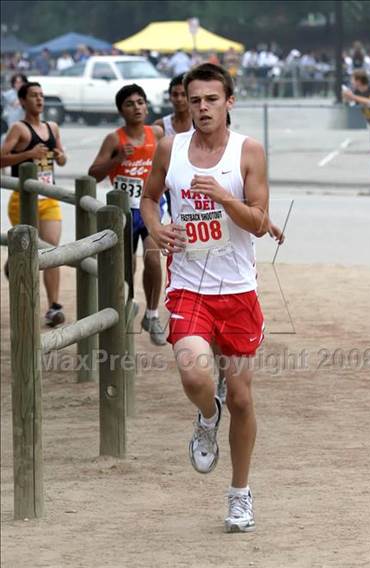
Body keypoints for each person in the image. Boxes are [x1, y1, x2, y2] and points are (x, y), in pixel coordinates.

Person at [141, 63, 284, 533]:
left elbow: (260, 223)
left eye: (212, 100)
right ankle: (206, 415)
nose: (202, 107)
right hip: (188, 287)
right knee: (193, 372)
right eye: (195, 99)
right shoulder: (170, 147)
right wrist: (157, 227)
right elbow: (148, 197)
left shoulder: (249, 151)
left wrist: (224, 197)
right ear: (185, 101)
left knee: (242, 399)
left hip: (238, 290)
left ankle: (240, 495)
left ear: (229, 103)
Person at [88, 84, 166, 346]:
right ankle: (126, 309)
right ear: (121, 109)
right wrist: (117, 158)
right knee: (127, 266)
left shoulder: (156, 133)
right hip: (123, 210)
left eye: (141, 102)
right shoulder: (114, 139)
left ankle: (152, 315)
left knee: (154, 259)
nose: (137, 108)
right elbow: (93, 174)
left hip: (151, 207)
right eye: (131, 104)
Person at [0, 82, 67, 326]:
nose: (39, 100)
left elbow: (62, 158)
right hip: (23, 199)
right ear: (22, 101)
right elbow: (1, 159)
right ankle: (24, 300)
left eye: (41, 95)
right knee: (29, 253)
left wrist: (60, 156)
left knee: (51, 250)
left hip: (48, 198)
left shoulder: (53, 127)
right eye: (33, 96)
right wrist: (27, 155)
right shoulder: (19, 129)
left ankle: (53, 307)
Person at [153, 74, 194, 217]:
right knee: (176, 218)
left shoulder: (200, 123)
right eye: (175, 94)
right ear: (169, 97)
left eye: (183, 94)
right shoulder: (160, 125)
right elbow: (154, 159)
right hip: (171, 183)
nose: (179, 99)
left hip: (196, 180)